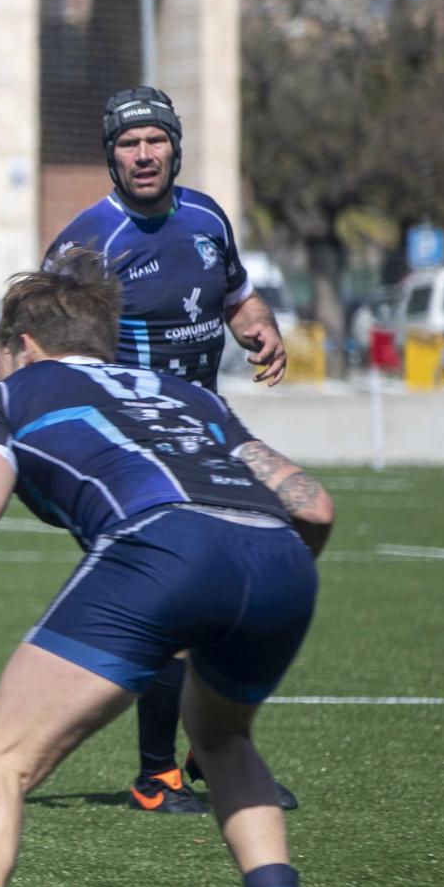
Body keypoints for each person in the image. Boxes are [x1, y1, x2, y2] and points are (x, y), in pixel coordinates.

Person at [0, 254, 338, 887]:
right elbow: (313, 506)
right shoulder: (184, 391)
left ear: (23, 343)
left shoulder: (13, 393)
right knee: (224, 738)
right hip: (278, 559)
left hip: (161, 549)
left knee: (0, 760)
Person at [46, 86, 295, 816]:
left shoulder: (208, 218)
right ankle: (158, 777)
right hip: (134, 450)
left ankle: (207, 756)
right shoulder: (88, 243)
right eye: (130, 144)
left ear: (175, 147)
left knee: (249, 601)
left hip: (210, 437)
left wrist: (262, 326)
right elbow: (40, 342)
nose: (145, 154)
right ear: (111, 157)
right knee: (181, 608)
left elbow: (238, 297)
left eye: (156, 140)